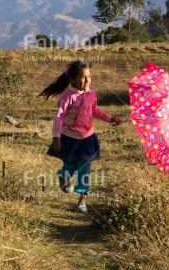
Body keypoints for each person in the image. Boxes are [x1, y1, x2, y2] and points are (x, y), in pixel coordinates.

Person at [39, 61, 121, 213]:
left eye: (89, 77)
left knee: (85, 168)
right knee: (70, 166)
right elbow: (59, 117)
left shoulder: (91, 94)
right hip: (69, 138)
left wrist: (110, 118)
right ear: (73, 80)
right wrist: (56, 137)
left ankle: (82, 201)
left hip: (87, 138)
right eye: (83, 77)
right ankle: (63, 176)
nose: (88, 80)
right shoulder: (68, 97)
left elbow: (95, 111)